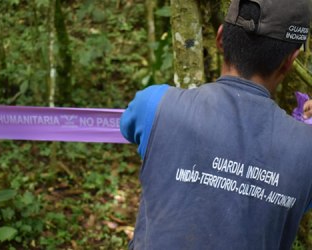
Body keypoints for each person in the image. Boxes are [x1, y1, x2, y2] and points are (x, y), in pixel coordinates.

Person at [120, 0, 312, 249]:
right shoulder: (306, 151)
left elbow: (129, 124)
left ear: (220, 38)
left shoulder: (155, 105)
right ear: (289, 61)